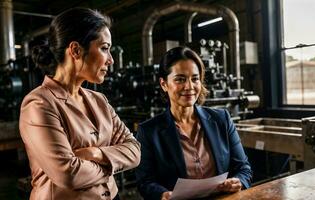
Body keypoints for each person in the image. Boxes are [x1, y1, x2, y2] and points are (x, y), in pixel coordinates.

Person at [19, 8, 140, 200]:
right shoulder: (39, 104)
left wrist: (97, 153)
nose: (111, 60)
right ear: (75, 50)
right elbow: (69, 174)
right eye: (104, 48)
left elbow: (134, 150)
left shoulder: (99, 100)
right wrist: (113, 163)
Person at [135, 46, 252, 200]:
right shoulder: (149, 131)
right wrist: (163, 194)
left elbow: (243, 169)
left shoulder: (221, 119)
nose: (189, 86)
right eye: (180, 79)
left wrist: (238, 181)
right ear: (164, 84)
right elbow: (145, 182)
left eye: (195, 79)